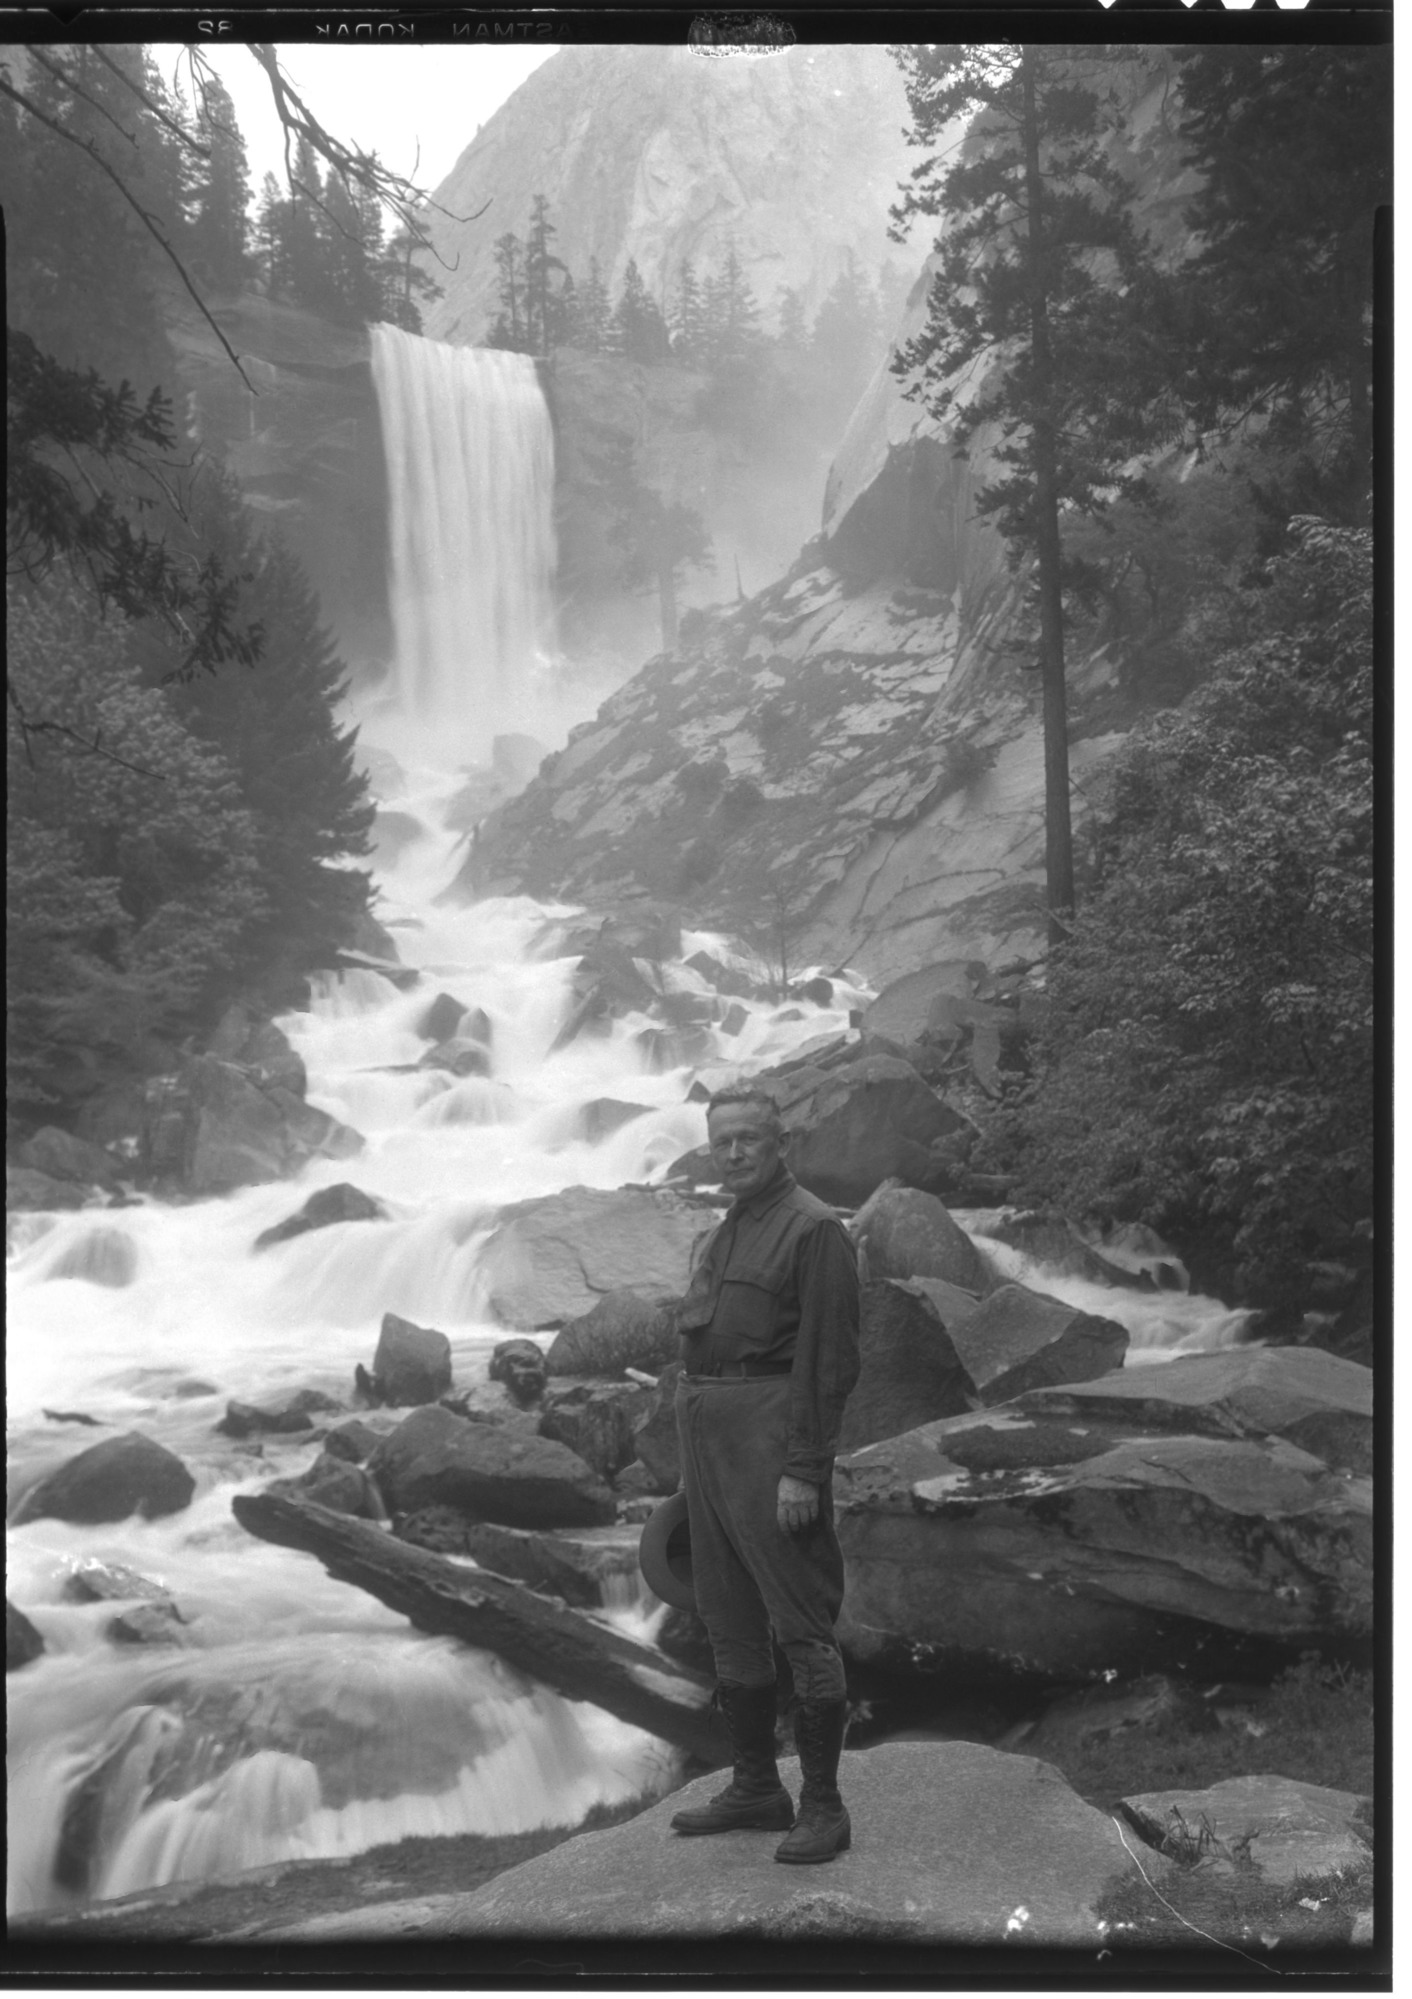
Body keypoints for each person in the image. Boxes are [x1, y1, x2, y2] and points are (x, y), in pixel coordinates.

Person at [669, 1084, 860, 1864]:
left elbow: (830, 1358)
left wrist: (805, 1469)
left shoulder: (814, 1231)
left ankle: (823, 1804)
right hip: (710, 1450)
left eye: (750, 1138)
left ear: (780, 1142)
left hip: (771, 1445)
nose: (737, 1151)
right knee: (728, 1618)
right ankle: (755, 1785)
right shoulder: (722, 1234)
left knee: (802, 1623)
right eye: (724, 1142)